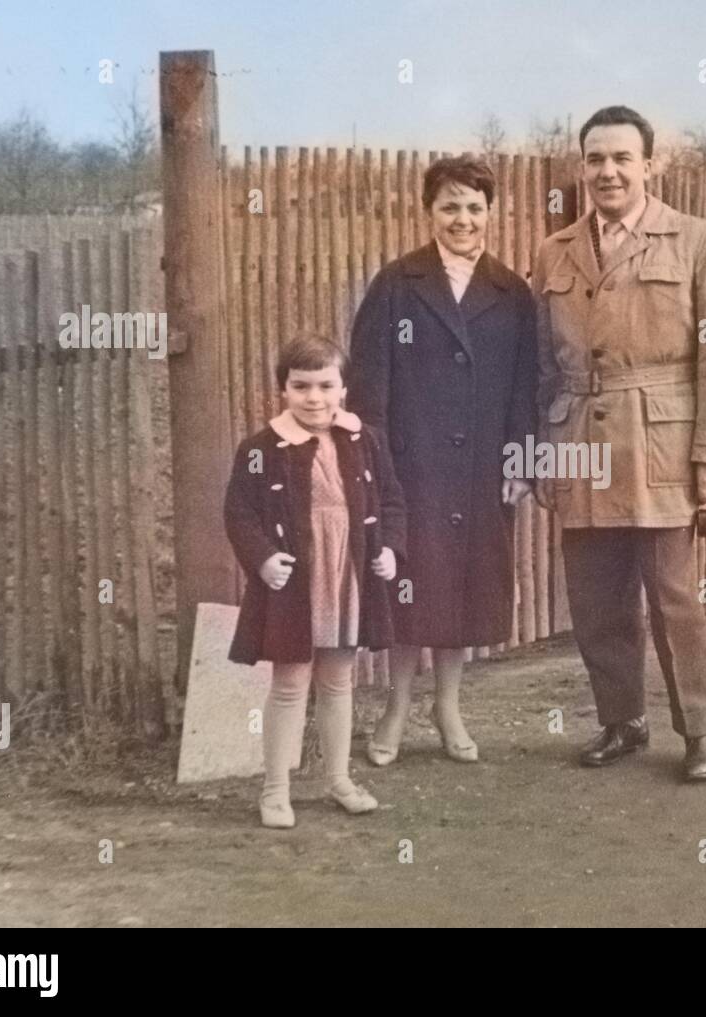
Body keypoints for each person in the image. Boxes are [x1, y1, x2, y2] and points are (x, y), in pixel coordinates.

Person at [532, 105, 706, 782]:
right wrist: (544, 451)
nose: (608, 172)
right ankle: (622, 719)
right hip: (578, 438)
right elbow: (541, 364)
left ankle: (699, 730)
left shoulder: (693, 240)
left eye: (623, 158)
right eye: (595, 159)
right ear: (582, 167)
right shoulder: (556, 249)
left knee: (675, 599)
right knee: (595, 597)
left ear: (650, 165)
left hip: (660, 444)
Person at [348, 154, 538, 765]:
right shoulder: (397, 285)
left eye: (474, 207)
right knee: (411, 586)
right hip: (414, 471)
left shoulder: (511, 293)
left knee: (463, 588)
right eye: (450, 206)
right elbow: (369, 387)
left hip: (482, 470)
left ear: (491, 212)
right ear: (429, 211)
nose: (463, 219)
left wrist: (519, 461)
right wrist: (375, 469)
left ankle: (448, 706)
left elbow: (524, 388)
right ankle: (397, 708)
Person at [224, 335, 407, 828]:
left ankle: (338, 778)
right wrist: (263, 560)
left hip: (347, 572)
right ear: (283, 389)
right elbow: (239, 513)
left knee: (339, 681)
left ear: (344, 388)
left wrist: (389, 548)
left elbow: (391, 499)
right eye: (300, 385)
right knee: (289, 684)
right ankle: (275, 790)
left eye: (326, 385)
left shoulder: (363, 440)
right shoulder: (262, 448)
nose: (314, 398)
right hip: (298, 581)